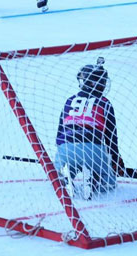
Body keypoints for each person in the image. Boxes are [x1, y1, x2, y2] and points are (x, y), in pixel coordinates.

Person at [55, 57, 125, 198]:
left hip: (66, 147)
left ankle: (65, 176)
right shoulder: (105, 102)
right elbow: (111, 137)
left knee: (60, 173)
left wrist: (60, 154)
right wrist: (116, 160)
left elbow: (59, 133)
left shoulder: (70, 100)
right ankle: (94, 178)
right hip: (93, 148)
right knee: (109, 183)